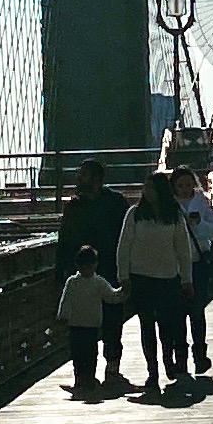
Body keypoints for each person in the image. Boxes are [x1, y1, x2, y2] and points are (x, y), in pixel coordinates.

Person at [116, 172, 198, 395]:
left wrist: (186, 279)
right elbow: (124, 246)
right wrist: (123, 276)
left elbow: (183, 250)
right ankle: (152, 371)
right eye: (146, 188)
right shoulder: (135, 214)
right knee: (146, 325)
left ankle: (168, 360)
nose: (146, 192)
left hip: (167, 277)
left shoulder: (174, 215)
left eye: (150, 188)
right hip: (140, 277)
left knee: (167, 325)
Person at [56, 156, 130, 386]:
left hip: (109, 269)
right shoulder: (75, 207)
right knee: (84, 325)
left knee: (112, 321)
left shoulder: (116, 203)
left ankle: (111, 364)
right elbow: (64, 242)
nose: (78, 178)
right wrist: (61, 273)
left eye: (83, 174)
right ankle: (87, 371)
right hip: (83, 272)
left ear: (96, 178)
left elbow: (126, 237)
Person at [177, 156, 213, 377]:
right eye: (180, 185)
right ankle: (180, 358)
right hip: (174, 265)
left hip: (197, 261)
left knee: (197, 311)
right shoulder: (169, 205)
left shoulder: (203, 202)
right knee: (177, 314)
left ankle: (199, 354)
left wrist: (198, 224)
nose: (185, 189)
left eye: (188, 184)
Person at [56, 256, 120, 399]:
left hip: (90, 324)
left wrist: (122, 292)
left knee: (90, 353)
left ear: (95, 265)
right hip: (77, 323)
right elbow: (66, 300)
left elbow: (111, 296)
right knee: (78, 354)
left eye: (89, 266)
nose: (87, 269)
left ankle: (88, 378)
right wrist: (63, 315)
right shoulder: (74, 282)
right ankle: (80, 378)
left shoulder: (97, 282)